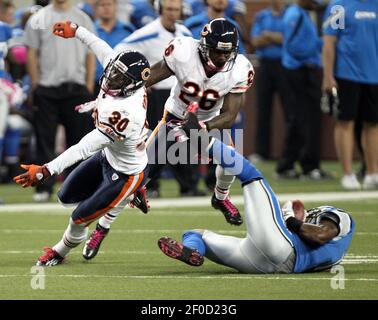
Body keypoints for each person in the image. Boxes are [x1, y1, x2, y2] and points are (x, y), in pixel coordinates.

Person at [83, 18, 254, 261]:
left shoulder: (239, 69)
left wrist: (204, 126)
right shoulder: (183, 53)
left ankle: (220, 198)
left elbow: (230, 115)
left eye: (227, 53)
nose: (222, 58)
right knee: (135, 177)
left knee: (232, 162)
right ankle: (101, 229)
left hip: (209, 120)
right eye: (217, 51)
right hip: (176, 117)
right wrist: (119, 96)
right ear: (204, 46)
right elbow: (150, 77)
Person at [13, 20, 150, 266]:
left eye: (120, 78)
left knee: (78, 218)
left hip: (126, 171)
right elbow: (99, 46)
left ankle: (59, 252)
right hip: (109, 155)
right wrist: (77, 30)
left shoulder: (127, 113)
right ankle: (129, 196)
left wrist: (46, 171)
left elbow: (84, 147)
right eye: (114, 72)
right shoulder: (120, 73)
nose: (112, 77)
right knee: (65, 196)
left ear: (133, 86)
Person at [158, 110, 355, 273]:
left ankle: (198, 137)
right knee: (195, 234)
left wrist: (289, 220)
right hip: (264, 262)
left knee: (250, 174)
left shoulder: (343, 219)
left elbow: (319, 235)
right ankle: (192, 251)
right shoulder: (334, 256)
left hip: (282, 248)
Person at [115, 0, 198, 199]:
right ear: (160, 10)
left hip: (180, 95)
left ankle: (188, 186)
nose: (172, 13)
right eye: (168, 9)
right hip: (157, 93)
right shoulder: (148, 32)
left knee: (184, 142)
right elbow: (121, 49)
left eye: (175, 10)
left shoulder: (185, 33)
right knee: (153, 141)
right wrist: (139, 78)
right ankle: (151, 185)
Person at [24, 0, 96, 202]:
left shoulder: (82, 18)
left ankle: (77, 187)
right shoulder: (38, 19)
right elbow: (31, 52)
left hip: (76, 88)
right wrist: (35, 84)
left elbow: (90, 52)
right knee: (44, 140)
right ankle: (43, 187)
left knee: (80, 142)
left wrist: (88, 85)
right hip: (47, 87)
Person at [322, 0, 378, 190]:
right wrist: (328, 76)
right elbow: (329, 42)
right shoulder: (339, 6)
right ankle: (347, 174)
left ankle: (372, 173)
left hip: (374, 75)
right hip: (347, 74)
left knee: (373, 124)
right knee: (345, 122)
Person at [276, 0, 330, 180]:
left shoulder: (304, 14)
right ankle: (291, 165)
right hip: (297, 71)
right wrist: (318, 45)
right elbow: (292, 45)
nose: (315, 3)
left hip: (306, 70)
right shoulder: (295, 14)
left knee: (308, 119)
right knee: (300, 119)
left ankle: (304, 164)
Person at [249, 0, 289, 162]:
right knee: (263, 109)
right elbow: (255, 41)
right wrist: (276, 38)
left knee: (290, 110)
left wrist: (268, 36)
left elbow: (289, 39)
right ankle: (261, 152)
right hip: (265, 65)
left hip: (285, 65)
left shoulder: (291, 14)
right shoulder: (262, 16)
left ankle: (290, 152)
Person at [93, 0, 135, 94]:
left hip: (122, 85)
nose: (106, 8)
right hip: (95, 85)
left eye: (109, 4)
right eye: (102, 5)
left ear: (115, 6)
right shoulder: (90, 31)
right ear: (96, 9)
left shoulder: (128, 30)